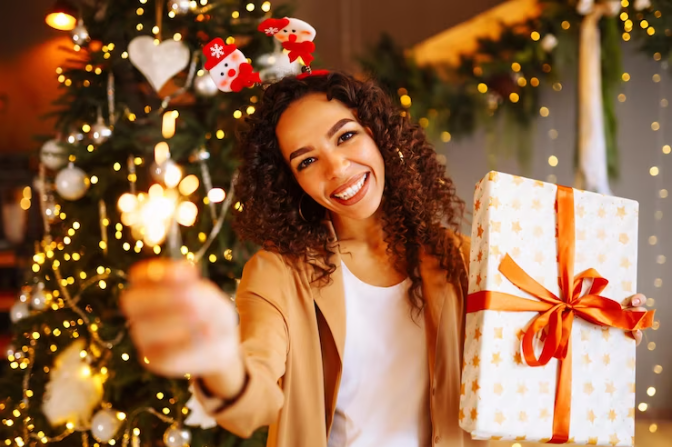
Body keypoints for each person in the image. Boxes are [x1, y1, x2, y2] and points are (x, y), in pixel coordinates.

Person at [120, 72, 646, 447]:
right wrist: (216, 363)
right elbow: (256, 397)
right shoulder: (277, 274)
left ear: (380, 136)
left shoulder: (461, 259)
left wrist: (602, 327)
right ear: (293, 183)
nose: (337, 168)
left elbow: (528, 367)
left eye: (345, 136)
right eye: (307, 161)